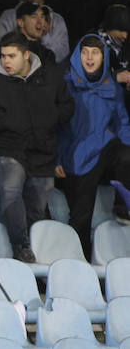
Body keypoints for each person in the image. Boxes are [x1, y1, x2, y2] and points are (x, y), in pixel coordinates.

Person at [0, 32, 74, 262]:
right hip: (7, 149)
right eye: (3, 56)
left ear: (26, 54)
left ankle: (33, 256)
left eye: (11, 56)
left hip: (43, 152)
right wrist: (6, 121)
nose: (6, 61)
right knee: (11, 194)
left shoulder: (50, 76)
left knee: (37, 209)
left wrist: (51, 117)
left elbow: (68, 106)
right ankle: (21, 246)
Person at [57, 34, 130, 258]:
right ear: (78, 55)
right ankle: (79, 264)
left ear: (103, 57)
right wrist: (56, 158)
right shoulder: (65, 84)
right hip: (76, 156)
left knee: (126, 153)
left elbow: (122, 124)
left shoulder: (112, 88)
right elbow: (55, 125)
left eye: (95, 53)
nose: (89, 57)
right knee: (81, 216)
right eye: (85, 52)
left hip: (104, 149)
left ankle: (122, 206)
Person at [0, 0, 70, 63]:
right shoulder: (9, 15)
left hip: (46, 70)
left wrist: (44, 39)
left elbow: (62, 51)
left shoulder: (57, 20)